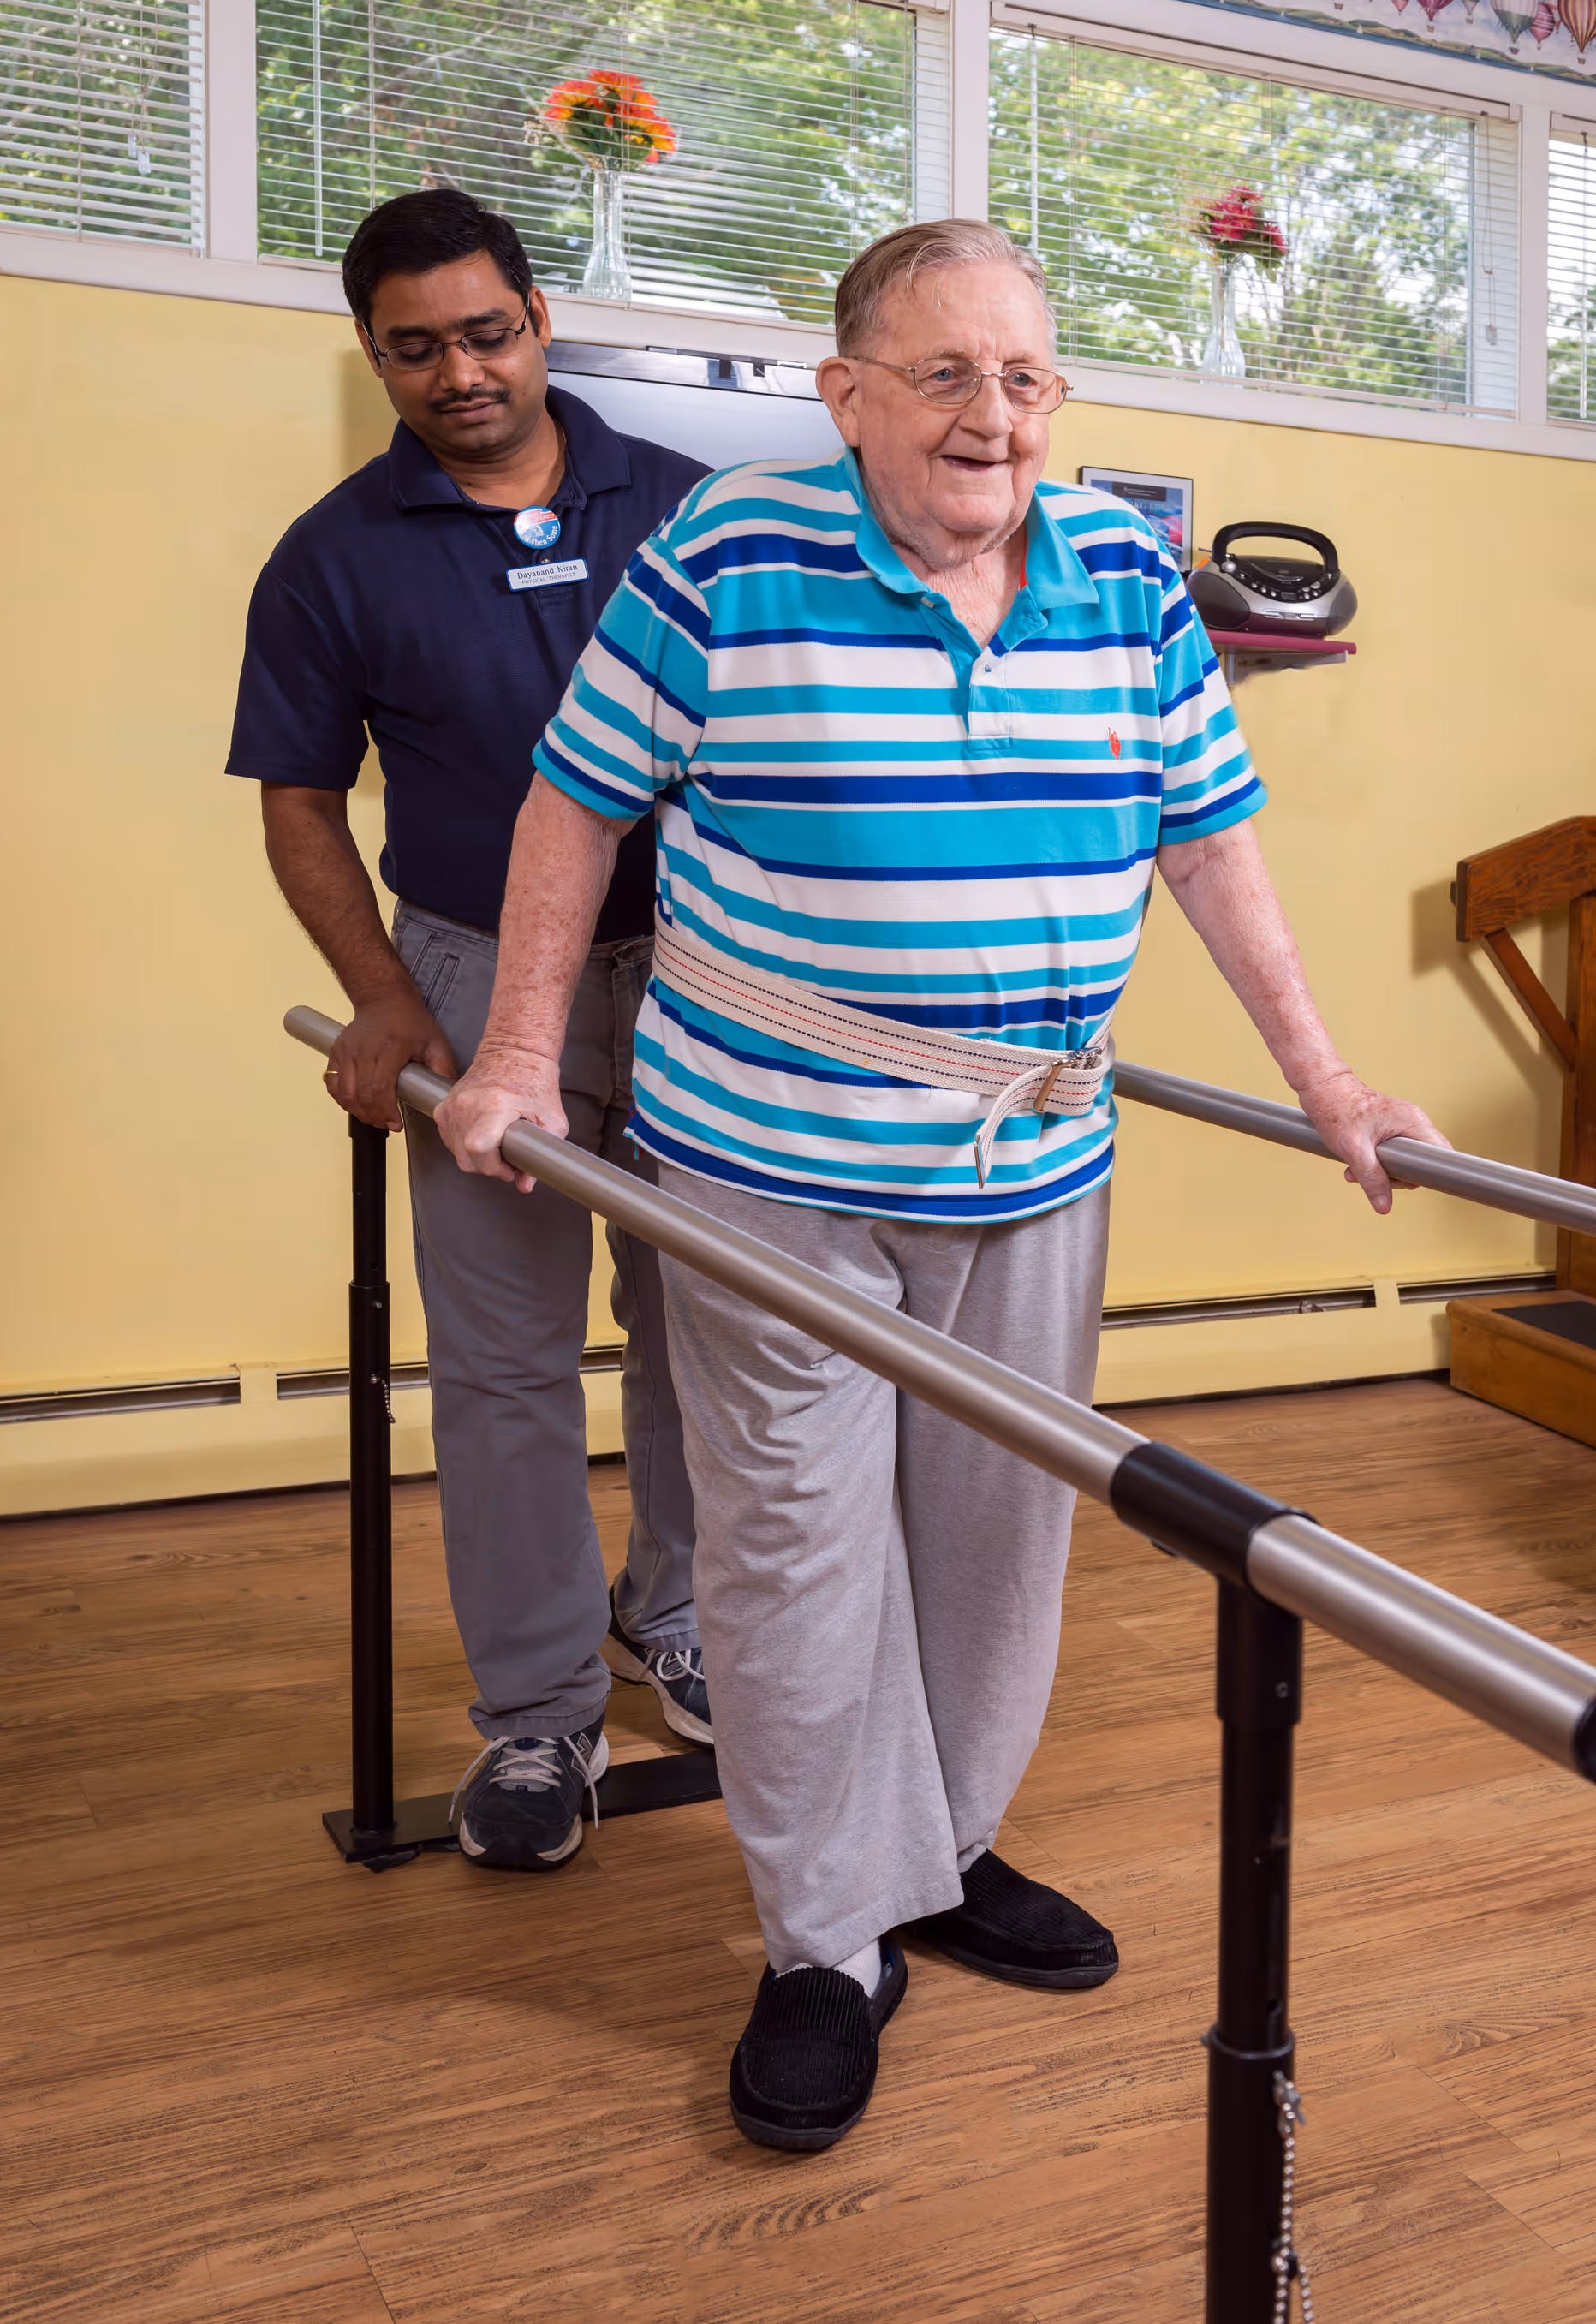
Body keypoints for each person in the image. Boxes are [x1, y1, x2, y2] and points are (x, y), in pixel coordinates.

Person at [434, 218, 1447, 2142]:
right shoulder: (737, 554)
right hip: (768, 1158)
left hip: (1039, 1154)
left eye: (1029, 377)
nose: (996, 416)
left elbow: (1210, 843)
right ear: (846, 395)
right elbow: (575, 796)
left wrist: (1326, 1077)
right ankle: (828, 1939)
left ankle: (943, 1850)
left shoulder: (1130, 581)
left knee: (999, 1540)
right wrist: (509, 1051)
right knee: (801, 1553)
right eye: (947, 374)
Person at [227, 188, 712, 1874]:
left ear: (540, 317)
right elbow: (297, 804)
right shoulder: (336, 551)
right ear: (377, 353)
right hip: (468, 959)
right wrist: (384, 994)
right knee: (506, 1368)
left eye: (486, 332)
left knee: (703, 1332)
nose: (460, 372)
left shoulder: (683, 501)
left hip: (698, 968)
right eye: (416, 347)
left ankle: (687, 1621)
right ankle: (538, 1714)